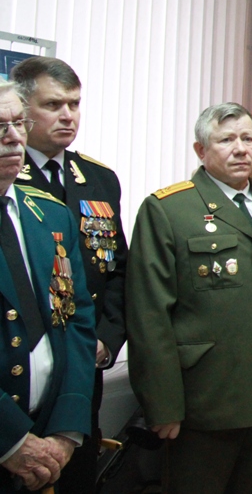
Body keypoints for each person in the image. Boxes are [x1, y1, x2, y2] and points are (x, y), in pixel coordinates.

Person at [126, 103, 252, 494]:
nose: (240, 149)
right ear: (200, 150)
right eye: (226, 140)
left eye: (247, 139)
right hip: (204, 402)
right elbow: (149, 315)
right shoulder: (169, 209)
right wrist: (162, 405)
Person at [9, 56, 127, 494]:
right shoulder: (9, 175)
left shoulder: (98, 178)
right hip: (20, 370)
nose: (67, 115)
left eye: (74, 104)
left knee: (76, 475)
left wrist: (106, 338)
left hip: (83, 363)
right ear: (22, 110)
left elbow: (117, 269)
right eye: (53, 104)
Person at [0, 80, 95, 493]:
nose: (14, 137)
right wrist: (11, 440)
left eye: (18, 123)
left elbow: (76, 320)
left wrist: (66, 430)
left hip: (48, 437)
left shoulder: (51, 215)